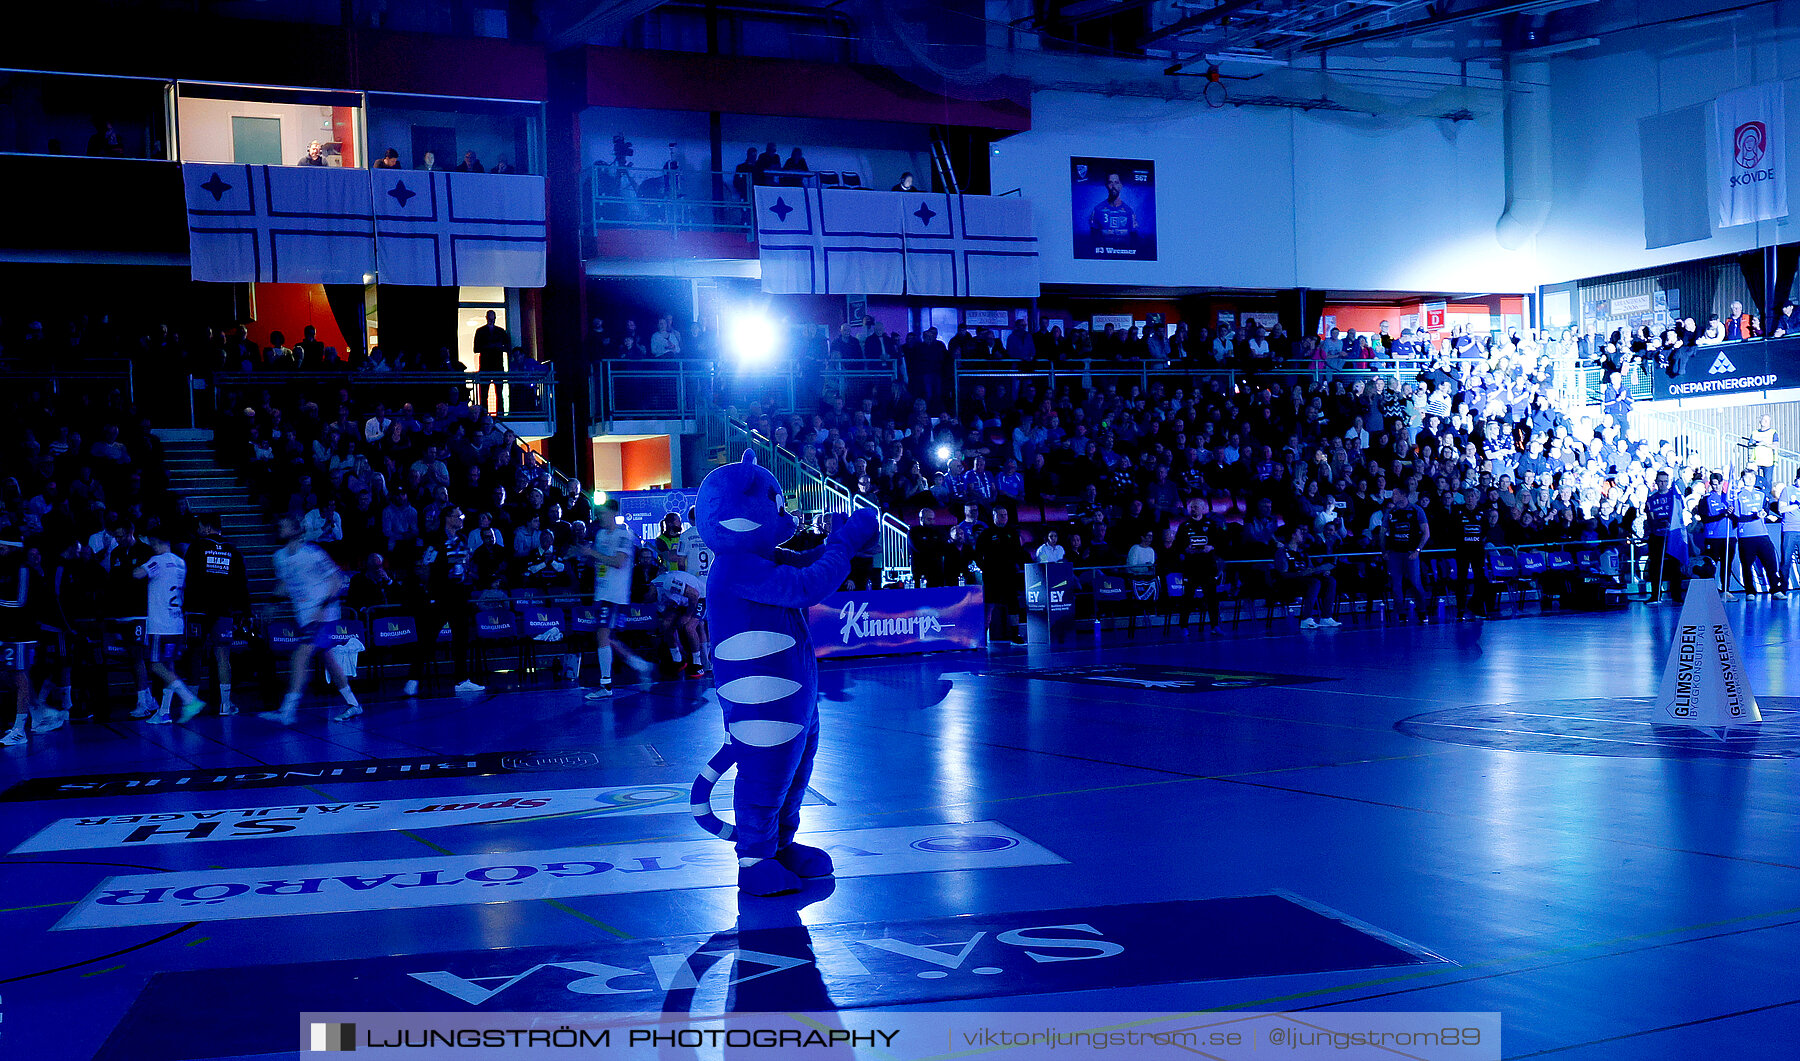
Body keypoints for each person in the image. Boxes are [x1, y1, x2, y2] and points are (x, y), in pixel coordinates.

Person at [264, 516, 360, 723]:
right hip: (304, 616)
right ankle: (353, 704)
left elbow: (337, 579)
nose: (280, 526)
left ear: (297, 530)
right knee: (328, 658)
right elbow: (284, 583)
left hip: (324, 614)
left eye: (285, 524)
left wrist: (322, 607)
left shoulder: (312, 553)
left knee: (300, 656)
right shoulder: (279, 557)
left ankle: (287, 711)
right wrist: (272, 604)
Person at [576, 504, 653, 699]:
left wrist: (592, 553)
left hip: (615, 596)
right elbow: (598, 561)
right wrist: (584, 554)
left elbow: (618, 562)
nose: (600, 517)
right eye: (599, 514)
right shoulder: (601, 535)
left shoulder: (624, 536)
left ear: (613, 514)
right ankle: (640, 665)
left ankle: (606, 685)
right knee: (607, 638)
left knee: (603, 636)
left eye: (603, 513)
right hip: (601, 594)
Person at [130, 528, 206, 724]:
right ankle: (164, 712)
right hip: (176, 623)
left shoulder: (157, 561)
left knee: (156, 665)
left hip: (160, 624)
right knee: (168, 666)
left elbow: (137, 574)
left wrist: (139, 561)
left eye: (153, 544)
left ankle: (190, 699)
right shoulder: (181, 562)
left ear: (156, 543)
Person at [409, 506, 486, 696]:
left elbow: (466, 563)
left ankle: (461, 680)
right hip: (441, 596)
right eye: (458, 515)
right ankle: (413, 677)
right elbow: (425, 566)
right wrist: (432, 591)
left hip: (460, 596)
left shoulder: (462, 539)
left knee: (461, 638)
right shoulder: (435, 540)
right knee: (428, 638)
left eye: (462, 515)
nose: (462, 518)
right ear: (448, 518)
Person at [185, 514, 250, 715]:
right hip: (223, 611)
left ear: (206, 527)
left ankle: (192, 704)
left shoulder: (196, 547)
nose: (197, 530)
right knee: (223, 656)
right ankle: (225, 704)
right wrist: (245, 611)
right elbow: (242, 585)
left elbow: (186, 577)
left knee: (195, 654)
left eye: (200, 526)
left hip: (197, 609)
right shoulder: (234, 551)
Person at [1, 535, 58, 745]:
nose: (0, 550)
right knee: (10, 675)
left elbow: (20, 601)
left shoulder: (23, 569)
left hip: (23, 631)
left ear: (13, 547)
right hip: (8, 631)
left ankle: (19, 729)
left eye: (2, 546)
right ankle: (38, 713)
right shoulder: (6, 569)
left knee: (19, 674)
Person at [1732, 469, 1787, 598]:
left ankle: (1775, 590)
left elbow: (1766, 510)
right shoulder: (1738, 495)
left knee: (1771, 563)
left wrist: (1764, 514)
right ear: (1742, 479)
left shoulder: (1761, 494)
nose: (1750, 479)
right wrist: (1754, 516)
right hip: (1746, 535)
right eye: (1747, 477)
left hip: (1762, 533)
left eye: (1752, 477)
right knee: (1747, 566)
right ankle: (1750, 591)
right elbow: (1737, 517)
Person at [1272, 524, 1339, 629]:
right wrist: (1301, 574)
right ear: (1293, 535)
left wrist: (1321, 571)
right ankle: (1306, 618)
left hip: (1305, 579)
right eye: (1300, 532)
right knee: (1314, 583)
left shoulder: (1303, 552)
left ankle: (1326, 617)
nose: (1302, 535)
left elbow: (1311, 568)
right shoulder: (1282, 552)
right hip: (1289, 583)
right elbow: (1283, 575)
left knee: (1329, 580)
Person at [1379, 493, 1432, 623]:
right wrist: (1384, 550)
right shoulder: (1391, 512)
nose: (1395, 498)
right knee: (1396, 585)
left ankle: (1422, 611)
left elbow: (1426, 533)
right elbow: (1382, 532)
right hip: (1395, 554)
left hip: (1411, 553)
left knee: (1415, 582)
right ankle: (1401, 613)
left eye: (1398, 495)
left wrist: (1418, 550)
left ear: (1405, 496)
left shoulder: (1417, 510)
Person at [1642, 470, 1686, 605]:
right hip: (1657, 535)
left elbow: (1679, 515)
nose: (1663, 484)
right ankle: (1655, 595)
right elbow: (1650, 519)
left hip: (1672, 535)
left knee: (1674, 565)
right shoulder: (1651, 499)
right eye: (1660, 481)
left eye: (1665, 481)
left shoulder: (1675, 497)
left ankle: (1677, 595)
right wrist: (1659, 523)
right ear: (1656, 482)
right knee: (1655, 565)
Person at [1697, 472, 1737, 599]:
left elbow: (1736, 520)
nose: (1715, 487)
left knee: (1727, 564)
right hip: (1712, 537)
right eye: (1713, 484)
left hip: (1728, 537)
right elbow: (1704, 518)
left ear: (1722, 484)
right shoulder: (1705, 499)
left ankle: (1726, 589)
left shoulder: (1729, 499)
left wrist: (1730, 514)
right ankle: (1709, 591)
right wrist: (1722, 515)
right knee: (1710, 564)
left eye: (1717, 484)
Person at [1088, 172, 1138, 254]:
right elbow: (1093, 237)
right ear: (1106, 185)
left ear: (1121, 186)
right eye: (1110, 182)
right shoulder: (1098, 209)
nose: (1113, 186)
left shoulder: (1129, 211)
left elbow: (1134, 238)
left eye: (1116, 182)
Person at [1750, 414, 1779, 494]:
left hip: (1768, 461)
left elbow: (1775, 446)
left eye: (1767, 420)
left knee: (1768, 482)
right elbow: (1750, 444)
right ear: (1760, 421)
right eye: (1763, 420)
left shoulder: (1773, 432)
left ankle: (1767, 499)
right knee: (1755, 480)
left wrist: (1764, 443)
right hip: (1756, 461)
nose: (1765, 422)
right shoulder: (1755, 432)